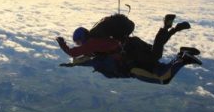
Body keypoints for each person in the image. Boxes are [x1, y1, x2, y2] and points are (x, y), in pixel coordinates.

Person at [56, 14, 202, 84]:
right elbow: (86, 59)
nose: (80, 45)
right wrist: (73, 64)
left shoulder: (92, 43)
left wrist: (62, 43)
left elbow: (75, 54)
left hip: (131, 58)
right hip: (133, 45)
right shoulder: (99, 40)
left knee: (163, 78)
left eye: (79, 42)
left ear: (82, 38)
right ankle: (172, 34)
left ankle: (183, 57)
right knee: (156, 57)